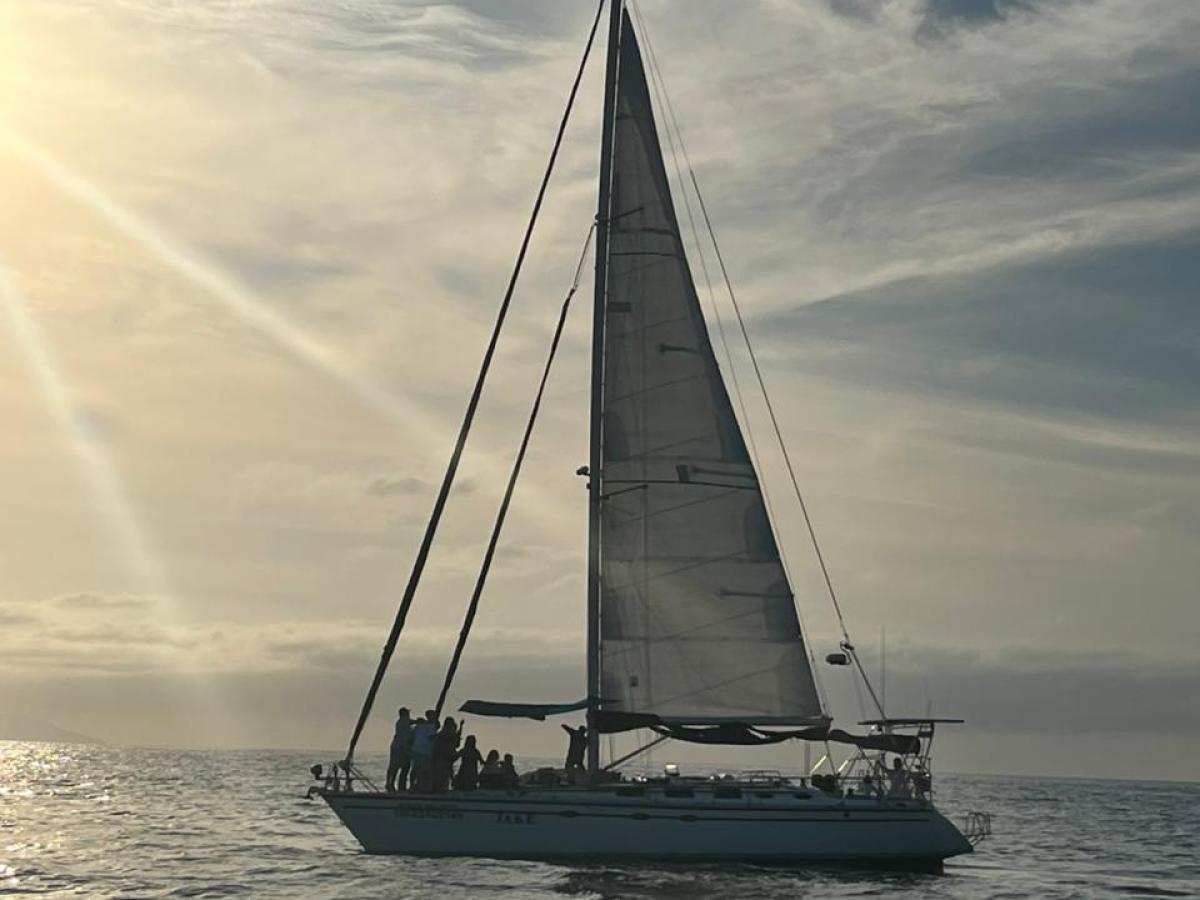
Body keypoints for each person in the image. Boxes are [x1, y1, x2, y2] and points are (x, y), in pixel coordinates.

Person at [386, 707, 413, 792]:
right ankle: (390, 784)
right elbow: (412, 722)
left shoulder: (405, 724)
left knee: (403, 768)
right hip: (399, 748)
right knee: (395, 767)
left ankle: (400, 786)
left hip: (403, 748)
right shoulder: (402, 722)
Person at [409, 713, 437, 792]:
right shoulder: (431, 726)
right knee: (425, 770)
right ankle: (423, 787)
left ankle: (413, 785)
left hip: (416, 750)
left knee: (416, 769)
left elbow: (412, 737)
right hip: (425, 751)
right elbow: (431, 737)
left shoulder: (419, 726)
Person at [433, 716, 462, 793]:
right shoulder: (443, 734)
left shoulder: (447, 733)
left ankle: (444, 788)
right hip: (442, 757)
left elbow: (456, 744)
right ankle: (441, 789)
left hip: (448, 757)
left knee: (447, 774)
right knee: (442, 774)